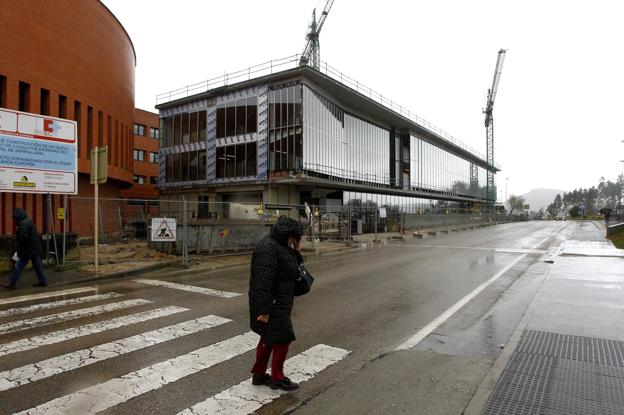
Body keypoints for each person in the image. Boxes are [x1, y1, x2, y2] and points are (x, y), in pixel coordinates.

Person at [249, 216, 303, 391]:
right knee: (283, 339)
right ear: (288, 235)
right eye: (296, 237)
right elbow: (261, 284)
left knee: (269, 338)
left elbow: (294, 269)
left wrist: (296, 250)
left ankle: (259, 375)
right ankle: (277, 378)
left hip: (280, 302)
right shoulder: (268, 249)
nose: (297, 241)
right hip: (272, 305)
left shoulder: (282, 247)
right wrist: (264, 311)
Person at [4, 208, 47, 290]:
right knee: (37, 265)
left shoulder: (24, 224)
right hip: (34, 248)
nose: (13, 220)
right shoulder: (28, 221)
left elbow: (23, 238)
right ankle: (42, 280)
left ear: (17, 217)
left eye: (14, 218)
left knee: (19, 265)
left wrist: (19, 247)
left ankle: (12, 283)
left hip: (28, 249)